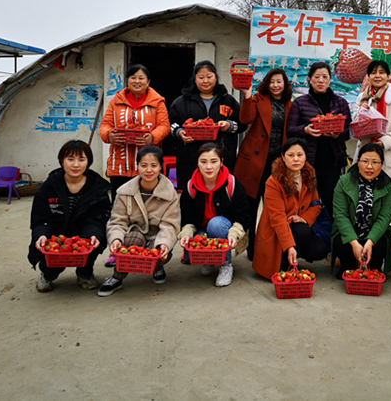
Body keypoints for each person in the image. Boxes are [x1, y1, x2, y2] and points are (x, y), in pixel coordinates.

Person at [28, 140, 111, 292]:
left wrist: (93, 233)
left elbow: (98, 217)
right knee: (50, 260)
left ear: (88, 162)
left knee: (93, 241)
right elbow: (41, 218)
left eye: (81, 159)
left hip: (83, 233)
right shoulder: (49, 187)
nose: (76, 165)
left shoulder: (97, 188)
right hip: (56, 236)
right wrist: (42, 235)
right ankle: (47, 274)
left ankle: (85, 274)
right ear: (62, 160)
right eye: (70, 159)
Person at [98, 146, 181, 296]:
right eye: (144, 165)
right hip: (134, 235)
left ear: (160, 167)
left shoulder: (170, 193)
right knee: (133, 239)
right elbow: (118, 221)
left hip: (156, 237)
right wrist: (115, 239)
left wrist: (164, 244)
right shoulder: (124, 192)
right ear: (137, 166)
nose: (149, 170)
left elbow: (170, 224)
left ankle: (157, 267)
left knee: (160, 249)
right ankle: (117, 276)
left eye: (154, 165)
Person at [233, 68, 293, 260]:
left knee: (273, 208)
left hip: (278, 163)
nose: (275, 85)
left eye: (279, 81)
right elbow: (245, 119)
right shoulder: (258, 99)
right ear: (267, 83)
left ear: (285, 84)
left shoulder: (290, 104)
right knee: (251, 205)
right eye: (272, 81)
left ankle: (268, 249)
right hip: (255, 160)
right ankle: (250, 249)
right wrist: (247, 95)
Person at [252, 138, 328, 279]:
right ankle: (284, 259)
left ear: (305, 156)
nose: (296, 159)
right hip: (277, 231)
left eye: (300, 155)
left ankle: (292, 257)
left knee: (319, 249)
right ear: (283, 156)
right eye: (291, 155)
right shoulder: (274, 181)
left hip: (298, 227)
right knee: (301, 230)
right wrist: (289, 246)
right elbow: (278, 218)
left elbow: (316, 204)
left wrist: (304, 218)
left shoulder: (308, 175)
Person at [178, 143, 250, 287]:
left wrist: (234, 234)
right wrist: (186, 234)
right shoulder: (190, 186)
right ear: (197, 163)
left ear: (221, 162)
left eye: (214, 161)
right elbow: (187, 218)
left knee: (215, 224)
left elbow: (243, 215)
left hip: (224, 229)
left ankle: (225, 264)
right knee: (189, 254)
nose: (208, 167)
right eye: (203, 162)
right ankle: (210, 260)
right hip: (202, 230)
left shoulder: (232, 183)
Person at [286, 61, 351, 220]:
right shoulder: (300, 102)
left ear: (330, 79)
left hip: (332, 163)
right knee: (307, 206)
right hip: (307, 164)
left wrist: (337, 135)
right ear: (310, 79)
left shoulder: (340, 102)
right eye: (316, 77)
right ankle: (307, 234)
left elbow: (348, 131)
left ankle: (331, 235)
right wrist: (305, 130)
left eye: (324, 77)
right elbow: (290, 130)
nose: (320, 80)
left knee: (332, 204)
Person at [169, 60, 246, 190]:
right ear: (195, 79)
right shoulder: (182, 102)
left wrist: (228, 125)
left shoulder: (228, 100)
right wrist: (180, 133)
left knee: (221, 192)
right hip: (190, 158)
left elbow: (242, 124)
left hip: (222, 157)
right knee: (192, 193)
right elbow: (171, 123)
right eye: (201, 77)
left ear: (215, 77)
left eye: (209, 76)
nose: (205, 81)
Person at [99, 64, 171, 202]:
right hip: (120, 165)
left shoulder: (157, 102)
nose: (137, 81)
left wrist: (152, 137)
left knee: (147, 204)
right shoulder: (115, 101)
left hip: (148, 166)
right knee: (120, 203)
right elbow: (105, 124)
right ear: (127, 80)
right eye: (133, 77)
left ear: (148, 81)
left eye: (141, 78)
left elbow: (164, 126)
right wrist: (109, 135)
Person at [331, 142, 391, 277]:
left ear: (382, 164)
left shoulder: (388, 185)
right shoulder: (344, 181)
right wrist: (354, 242)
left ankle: (374, 267)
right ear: (358, 162)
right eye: (365, 161)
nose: (369, 166)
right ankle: (347, 265)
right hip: (351, 231)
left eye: (375, 162)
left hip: (373, 232)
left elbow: (384, 217)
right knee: (341, 243)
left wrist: (370, 241)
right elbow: (340, 215)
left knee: (380, 244)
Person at [353, 60, 391, 187]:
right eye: (373, 73)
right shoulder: (362, 97)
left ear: (388, 76)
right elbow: (354, 124)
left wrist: (383, 142)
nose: (377, 76)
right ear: (368, 76)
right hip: (365, 150)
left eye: (381, 72)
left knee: (385, 191)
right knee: (362, 191)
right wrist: (361, 112)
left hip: (387, 152)